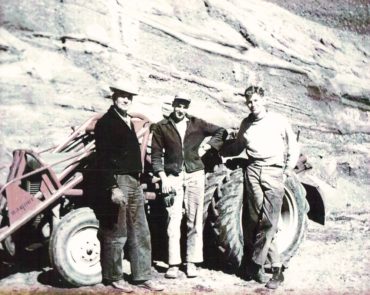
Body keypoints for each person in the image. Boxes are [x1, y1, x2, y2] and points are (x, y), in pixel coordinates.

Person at [221, 85, 299, 289]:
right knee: (255, 220)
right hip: (253, 170)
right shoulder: (246, 124)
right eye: (249, 101)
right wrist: (219, 149)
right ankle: (259, 264)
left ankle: (272, 268)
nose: (252, 104)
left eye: (255, 100)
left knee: (270, 222)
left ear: (264, 100)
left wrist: (288, 169)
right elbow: (238, 146)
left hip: (274, 171)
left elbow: (293, 144)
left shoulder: (278, 121)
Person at [94, 80, 163, 292]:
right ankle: (114, 277)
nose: (126, 100)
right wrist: (112, 187)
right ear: (114, 98)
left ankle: (142, 276)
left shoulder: (128, 121)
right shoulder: (106, 123)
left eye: (129, 97)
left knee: (140, 230)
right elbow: (102, 158)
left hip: (133, 181)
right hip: (119, 180)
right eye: (122, 95)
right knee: (117, 231)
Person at [151, 93, 226, 279]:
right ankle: (173, 264)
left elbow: (221, 132)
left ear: (187, 108)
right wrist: (163, 178)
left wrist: (207, 147)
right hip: (173, 177)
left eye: (184, 106)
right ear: (173, 105)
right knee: (173, 220)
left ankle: (192, 262)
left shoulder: (196, 124)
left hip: (195, 175)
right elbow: (156, 155)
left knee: (194, 219)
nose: (180, 109)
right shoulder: (162, 127)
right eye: (177, 105)